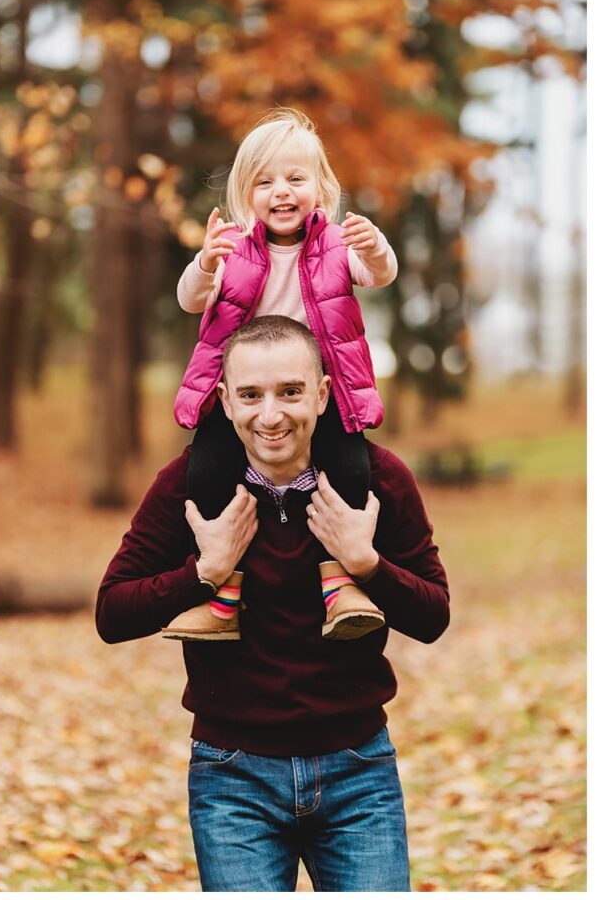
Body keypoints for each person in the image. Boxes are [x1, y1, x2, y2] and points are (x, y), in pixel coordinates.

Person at [96, 316, 450, 892]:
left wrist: (367, 566)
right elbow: (111, 613)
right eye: (251, 395)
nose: (271, 415)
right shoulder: (189, 486)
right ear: (225, 402)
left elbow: (434, 615)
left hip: (358, 771)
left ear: (324, 393)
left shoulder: (378, 482)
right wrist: (202, 573)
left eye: (290, 391)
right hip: (232, 776)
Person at [168, 107, 398, 642]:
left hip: (325, 394)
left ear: (322, 188)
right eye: (265, 182)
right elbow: (189, 300)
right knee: (204, 473)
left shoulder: (338, 247)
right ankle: (224, 595)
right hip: (248, 400)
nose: (282, 192)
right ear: (245, 195)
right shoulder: (233, 251)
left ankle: (340, 586)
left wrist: (375, 248)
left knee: (350, 472)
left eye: (296, 179)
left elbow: (378, 275)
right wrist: (203, 264)